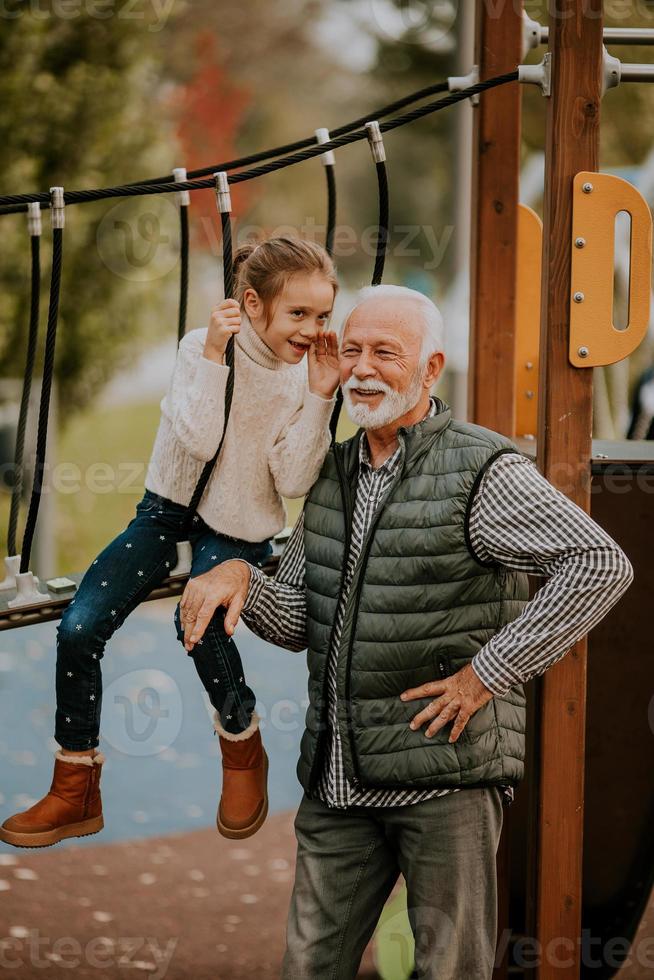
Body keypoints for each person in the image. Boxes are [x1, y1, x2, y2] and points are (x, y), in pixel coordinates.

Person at [178, 284, 634, 980]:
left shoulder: (483, 468)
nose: (362, 368)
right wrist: (242, 577)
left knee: (449, 970)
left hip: (443, 783)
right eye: (352, 349)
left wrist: (488, 674)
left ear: (429, 369)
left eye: (385, 353)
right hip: (338, 784)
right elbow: (303, 617)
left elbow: (600, 563)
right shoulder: (331, 472)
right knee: (308, 968)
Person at [0, 237, 341, 849]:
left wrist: (319, 395)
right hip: (166, 513)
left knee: (203, 613)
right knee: (78, 629)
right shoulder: (198, 349)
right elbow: (200, 439)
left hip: (239, 526)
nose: (314, 330)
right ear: (252, 304)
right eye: (299, 314)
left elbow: (293, 480)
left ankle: (242, 747)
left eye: (322, 315)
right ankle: (74, 786)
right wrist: (214, 354)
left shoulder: (304, 381)